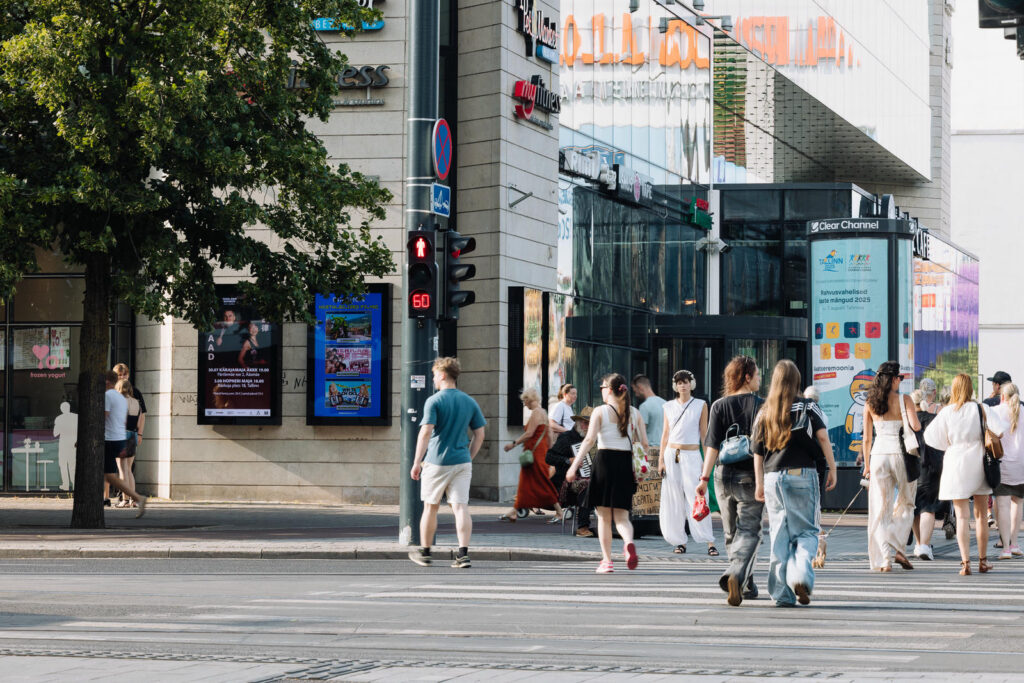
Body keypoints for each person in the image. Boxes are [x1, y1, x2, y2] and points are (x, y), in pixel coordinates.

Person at [753, 360, 837, 607]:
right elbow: (822, 437)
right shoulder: (809, 406)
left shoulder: (764, 410)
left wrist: (759, 483)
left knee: (779, 535)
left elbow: (757, 451)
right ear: (797, 381)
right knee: (807, 531)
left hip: (772, 477)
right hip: (802, 474)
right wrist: (832, 467)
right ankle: (800, 573)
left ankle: (782, 594)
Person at [697, 355, 764, 606]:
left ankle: (745, 582)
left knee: (731, 532)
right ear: (747, 377)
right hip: (751, 475)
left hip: (722, 475)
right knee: (750, 531)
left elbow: (712, 446)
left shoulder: (718, 405)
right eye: (757, 375)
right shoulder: (762, 406)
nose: (759, 379)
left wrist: (703, 478)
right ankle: (736, 575)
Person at [925, 373, 1007, 575]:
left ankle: (965, 563)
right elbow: (1000, 431)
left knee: (961, 516)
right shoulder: (981, 408)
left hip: (955, 463)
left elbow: (930, 437)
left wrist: (950, 444)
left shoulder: (947, 412)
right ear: (971, 388)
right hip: (979, 462)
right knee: (981, 515)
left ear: (954, 389)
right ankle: (983, 561)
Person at [409, 357, 486, 569]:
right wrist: (469, 456)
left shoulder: (434, 401)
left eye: (435, 375)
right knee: (461, 507)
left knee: (430, 507)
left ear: (442, 375)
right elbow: (480, 434)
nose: (433, 379)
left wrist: (416, 462)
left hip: (436, 461)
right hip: (462, 461)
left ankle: (425, 553)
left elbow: (426, 432)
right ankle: (463, 555)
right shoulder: (469, 401)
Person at [566, 373, 646, 573]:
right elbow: (644, 443)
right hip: (625, 463)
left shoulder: (600, 411)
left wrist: (574, 466)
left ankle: (607, 561)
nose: (601, 390)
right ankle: (628, 543)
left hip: (604, 462)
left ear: (609, 390)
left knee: (603, 517)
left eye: (602, 387)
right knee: (622, 517)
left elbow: (589, 440)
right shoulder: (635, 413)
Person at [862, 360, 920, 572]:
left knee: (880, 508)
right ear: (894, 379)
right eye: (899, 378)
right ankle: (896, 544)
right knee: (907, 502)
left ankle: (884, 560)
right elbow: (916, 426)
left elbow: (867, 439)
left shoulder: (870, 402)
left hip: (877, 455)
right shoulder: (905, 399)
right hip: (900, 455)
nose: (900, 382)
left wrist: (866, 465)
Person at [659, 370, 716, 555]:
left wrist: (706, 460)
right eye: (679, 382)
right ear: (675, 386)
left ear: (692, 384)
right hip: (671, 454)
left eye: (685, 382)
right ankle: (679, 541)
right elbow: (665, 434)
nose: (682, 385)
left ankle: (709, 541)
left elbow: (704, 434)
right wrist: (660, 460)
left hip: (692, 454)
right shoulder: (668, 406)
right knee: (673, 498)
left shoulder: (700, 405)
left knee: (698, 496)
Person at [501, 387, 565, 523]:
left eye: (525, 401)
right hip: (540, 452)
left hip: (535, 454)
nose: (524, 404)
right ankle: (514, 511)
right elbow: (548, 435)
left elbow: (529, 433)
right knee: (526, 482)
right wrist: (549, 451)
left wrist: (513, 444)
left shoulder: (536, 412)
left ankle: (559, 511)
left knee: (541, 482)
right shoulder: (543, 412)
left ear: (529, 400)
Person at [102, 371, 147, 517]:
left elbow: (105, 416)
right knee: (125, 470)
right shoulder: (128, 400)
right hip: (125, 437)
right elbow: (137, 419)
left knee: (113, 473)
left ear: (108, 382)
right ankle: (134, 498)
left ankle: (131, 498)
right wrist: (139, 434)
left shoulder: (110, 396)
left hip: (112, 438)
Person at [547, 406, 595, 537]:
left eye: (591, 424)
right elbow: (549, 457)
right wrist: (569, 460)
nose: (588, 427)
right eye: (585, 423)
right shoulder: (567, 437)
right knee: (588, 484)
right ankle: (582, 527)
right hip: (568, 482)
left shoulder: (595, 439)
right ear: (578, 423)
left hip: (591, 478)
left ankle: (614, 524)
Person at [910, 388, 946, 561]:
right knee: (928, 507)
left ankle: (919, 544)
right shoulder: (934, 419)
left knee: (914, 507)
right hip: (932, 467)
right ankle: (925, 545)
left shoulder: (908, 422)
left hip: (912, 467)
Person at [993, 383, 1024, 559]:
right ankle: (1015, 544)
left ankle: (1005, 548)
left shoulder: (995, 411)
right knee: (1018, 504)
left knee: (1003, 506)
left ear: (1002, 396)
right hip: (1021, 465)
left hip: (1002, 465)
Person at [114, 379, 142, 508]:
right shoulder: (136, 402)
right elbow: (138, 423)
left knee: (122, 470)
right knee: (129, 469)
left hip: (121, 435)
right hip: (133, 435)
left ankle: (124, 499)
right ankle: (133, 500)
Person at [632, 375, 666, 454]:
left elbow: (641, 433)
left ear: (640, 387)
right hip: (665, 449)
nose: (636, 395)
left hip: (651, 450)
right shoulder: (665, 403)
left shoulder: (644, 406)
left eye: (635, 391)